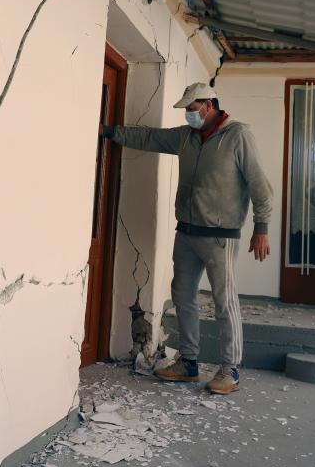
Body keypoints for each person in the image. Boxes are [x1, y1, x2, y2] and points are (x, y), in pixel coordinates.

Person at [100, 82, 272, 395]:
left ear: (208, 105)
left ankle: (229, 369)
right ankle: (189, 362)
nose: (189, 116)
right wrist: (111, 132)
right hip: (188, 232)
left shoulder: (237, 136)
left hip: (221, 236)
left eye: (192, 110)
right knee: (182, 295)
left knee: (224, 301)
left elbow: (259, 183)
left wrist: (262, 228)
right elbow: (151, 137)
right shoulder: (186, 137)